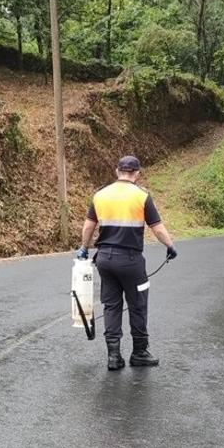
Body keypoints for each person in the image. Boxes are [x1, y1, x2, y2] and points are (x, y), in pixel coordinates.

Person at [77, 154, 176, 371]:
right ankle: (139, 352)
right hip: (131, 261)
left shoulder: (100, 195)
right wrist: (170, 246)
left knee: (111, 305)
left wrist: (84, 248)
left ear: (117, 171)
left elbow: (88, 227)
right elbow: (157, 228)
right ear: (137, 174)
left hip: (104, 260)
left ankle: (114, 356)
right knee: (138, 304)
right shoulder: (141, 196)